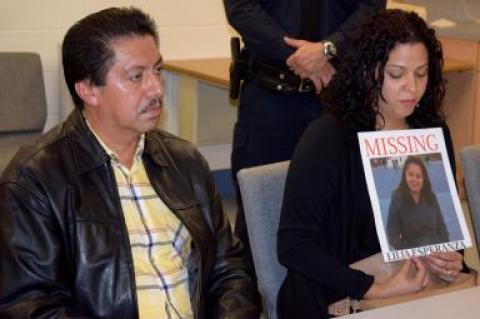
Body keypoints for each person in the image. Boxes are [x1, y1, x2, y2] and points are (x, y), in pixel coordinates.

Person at [0, 7, 260, 319]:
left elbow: (228, 269)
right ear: (88, 90)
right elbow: (29, 307)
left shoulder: (185, 161)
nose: (157, 88)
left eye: (157, 71)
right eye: (136, 76)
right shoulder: (35, 179)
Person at [277, 9, 464, 318]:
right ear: (368, 71)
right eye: (396, 74)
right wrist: (374, 287)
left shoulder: (431, 130)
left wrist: (450, 257)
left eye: (421, 73)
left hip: (418, 289)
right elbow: (293, 245)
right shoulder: (330, 137)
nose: (412, 87)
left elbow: (445, 220)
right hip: (342, 292)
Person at [223, 0, 386, 278]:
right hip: (270, 97)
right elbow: (241, 7)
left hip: (337, 95)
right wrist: (299, 57)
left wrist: (327, 49)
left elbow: (371, 6)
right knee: (256, 216)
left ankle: (333, 296)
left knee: (338, 211)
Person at [387, 156, 449, 250]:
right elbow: (392, 234)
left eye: (418, 176)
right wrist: (408, 252)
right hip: (411, 253)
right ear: (405, 176)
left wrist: (443, 249)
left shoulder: (431, 196)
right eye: (410, 175)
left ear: (424, 179)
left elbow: (442, 228)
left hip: (436, 250)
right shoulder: (397, 197)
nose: (414, 180)